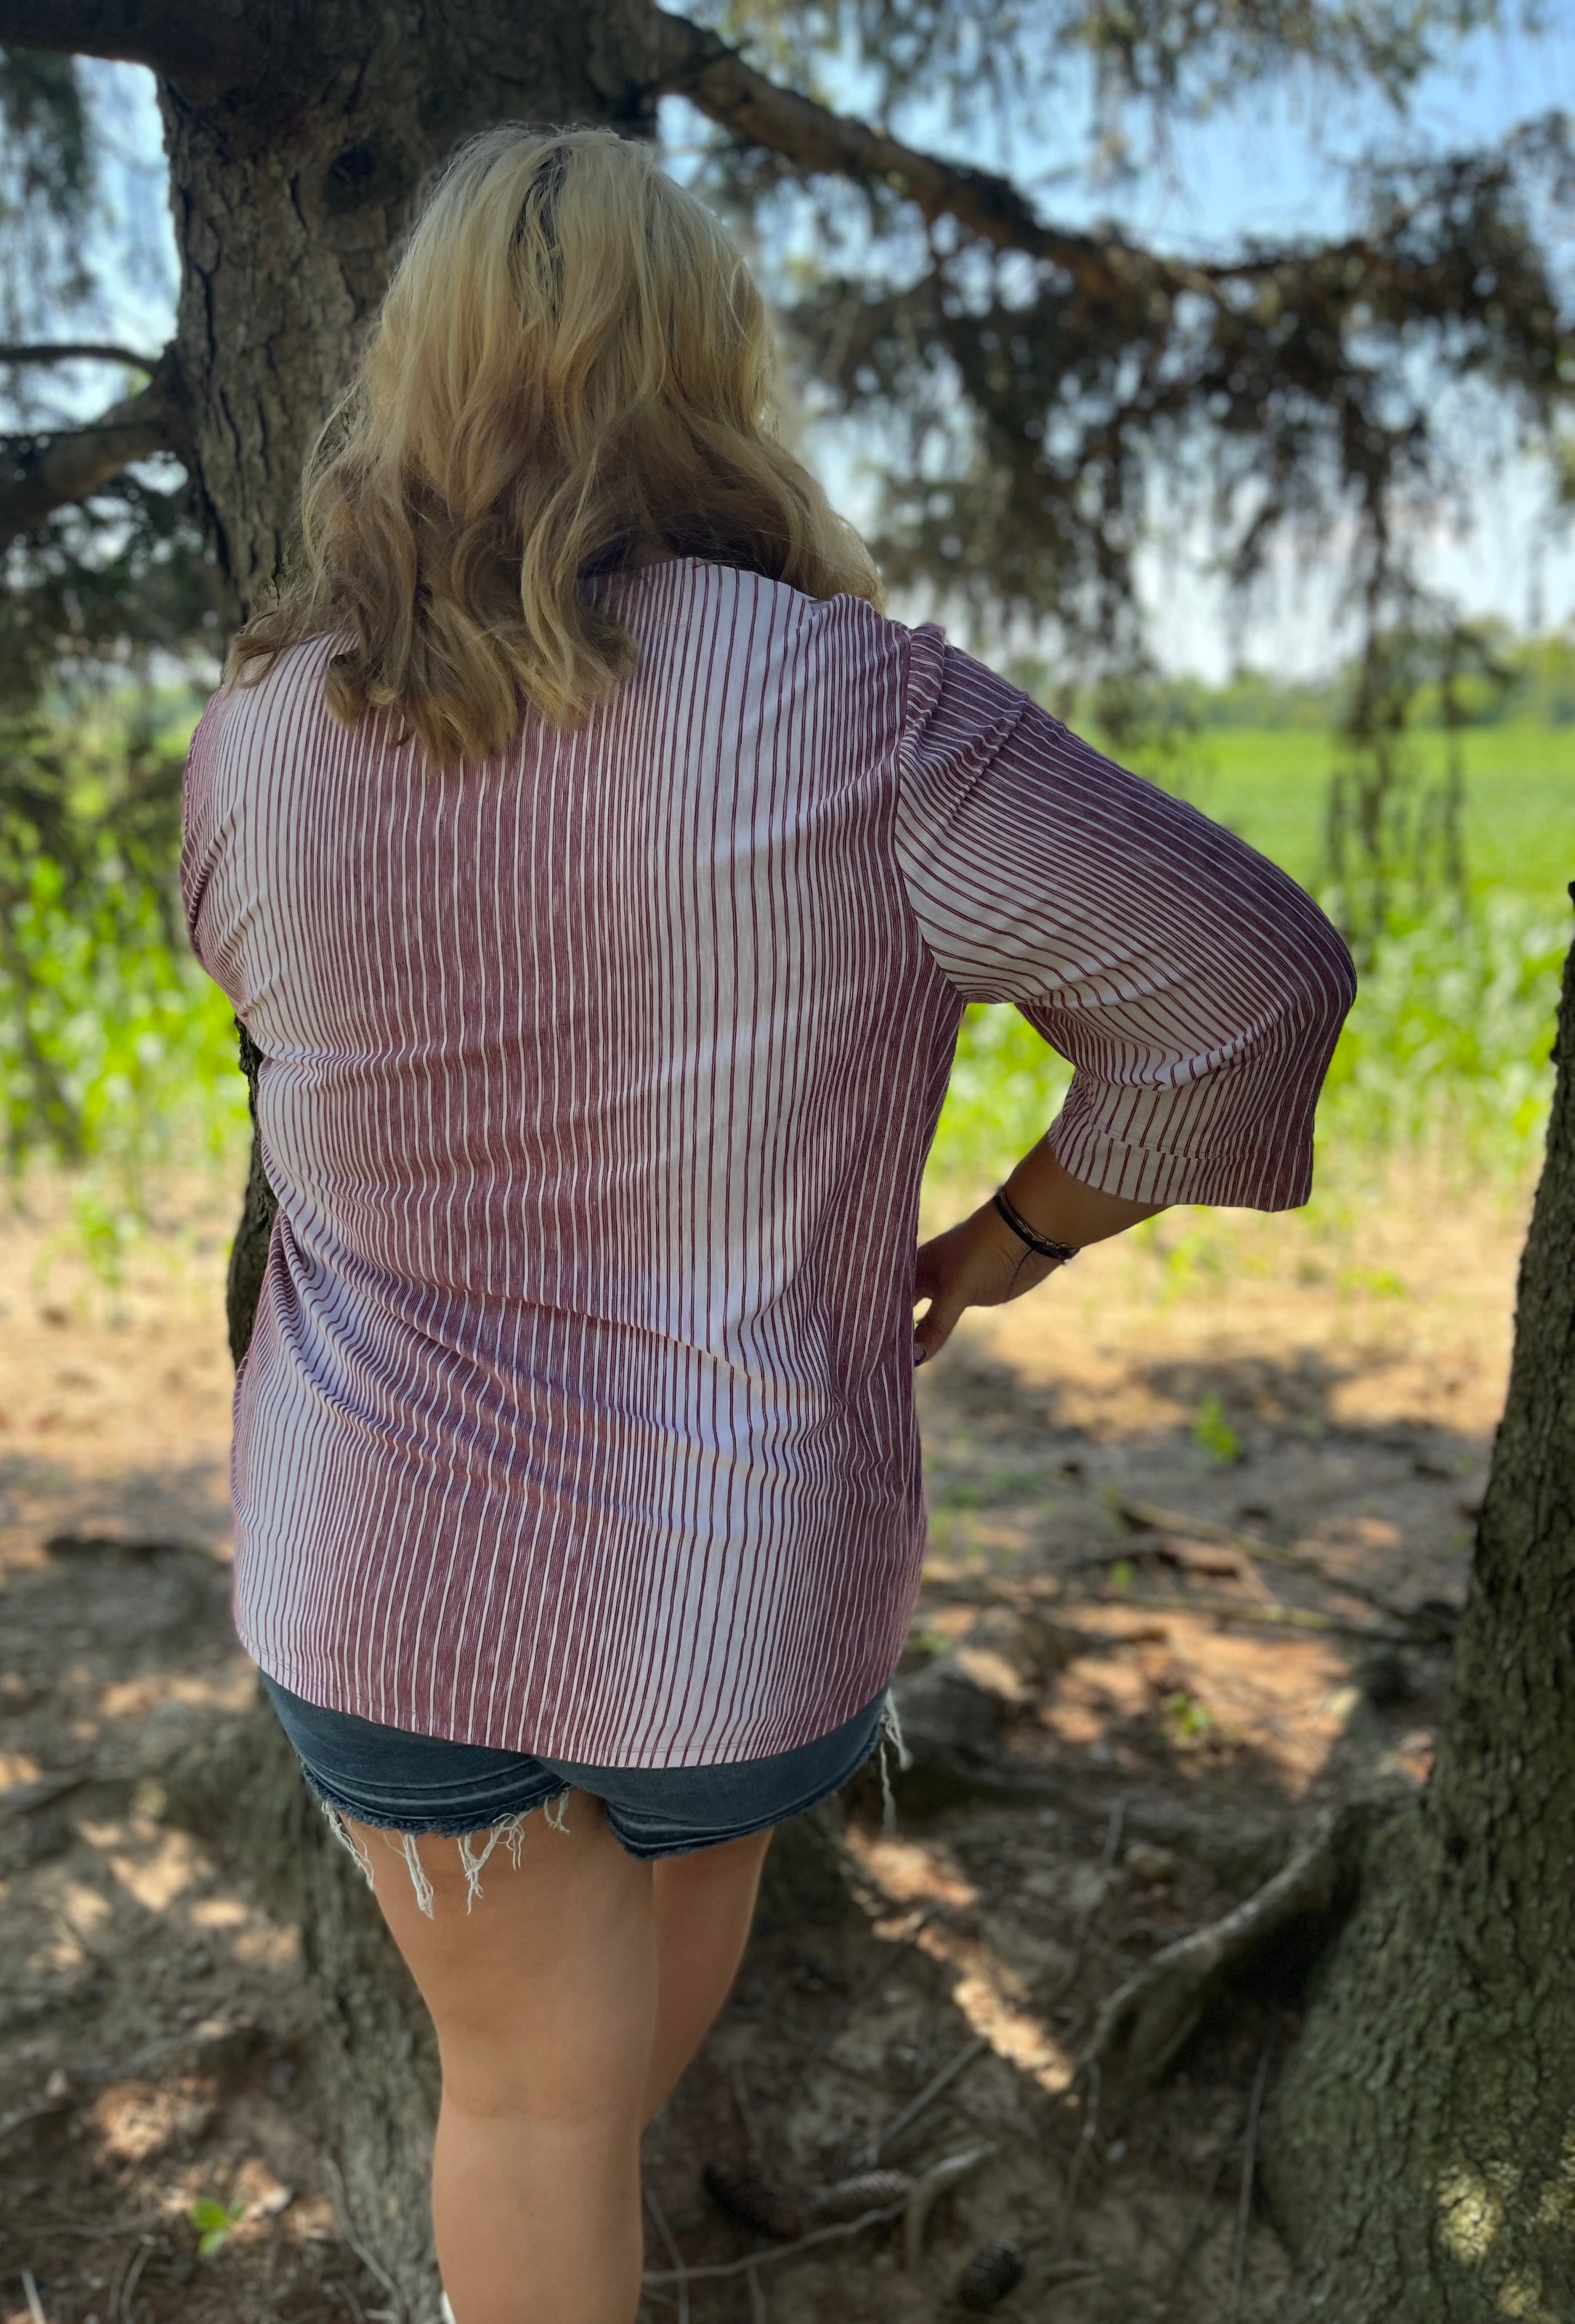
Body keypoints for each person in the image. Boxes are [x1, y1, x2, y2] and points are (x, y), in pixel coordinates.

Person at [181, 123, 1356, 2324]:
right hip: (729, 1580)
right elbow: (1250, 985)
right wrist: (1005, 1243)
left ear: (412, 372)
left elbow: (258, 1003)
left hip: (378, 1559)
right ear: (711, 368)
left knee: (528, 2106)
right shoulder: (865, 711)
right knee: (586, 2098)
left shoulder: (257, 735)